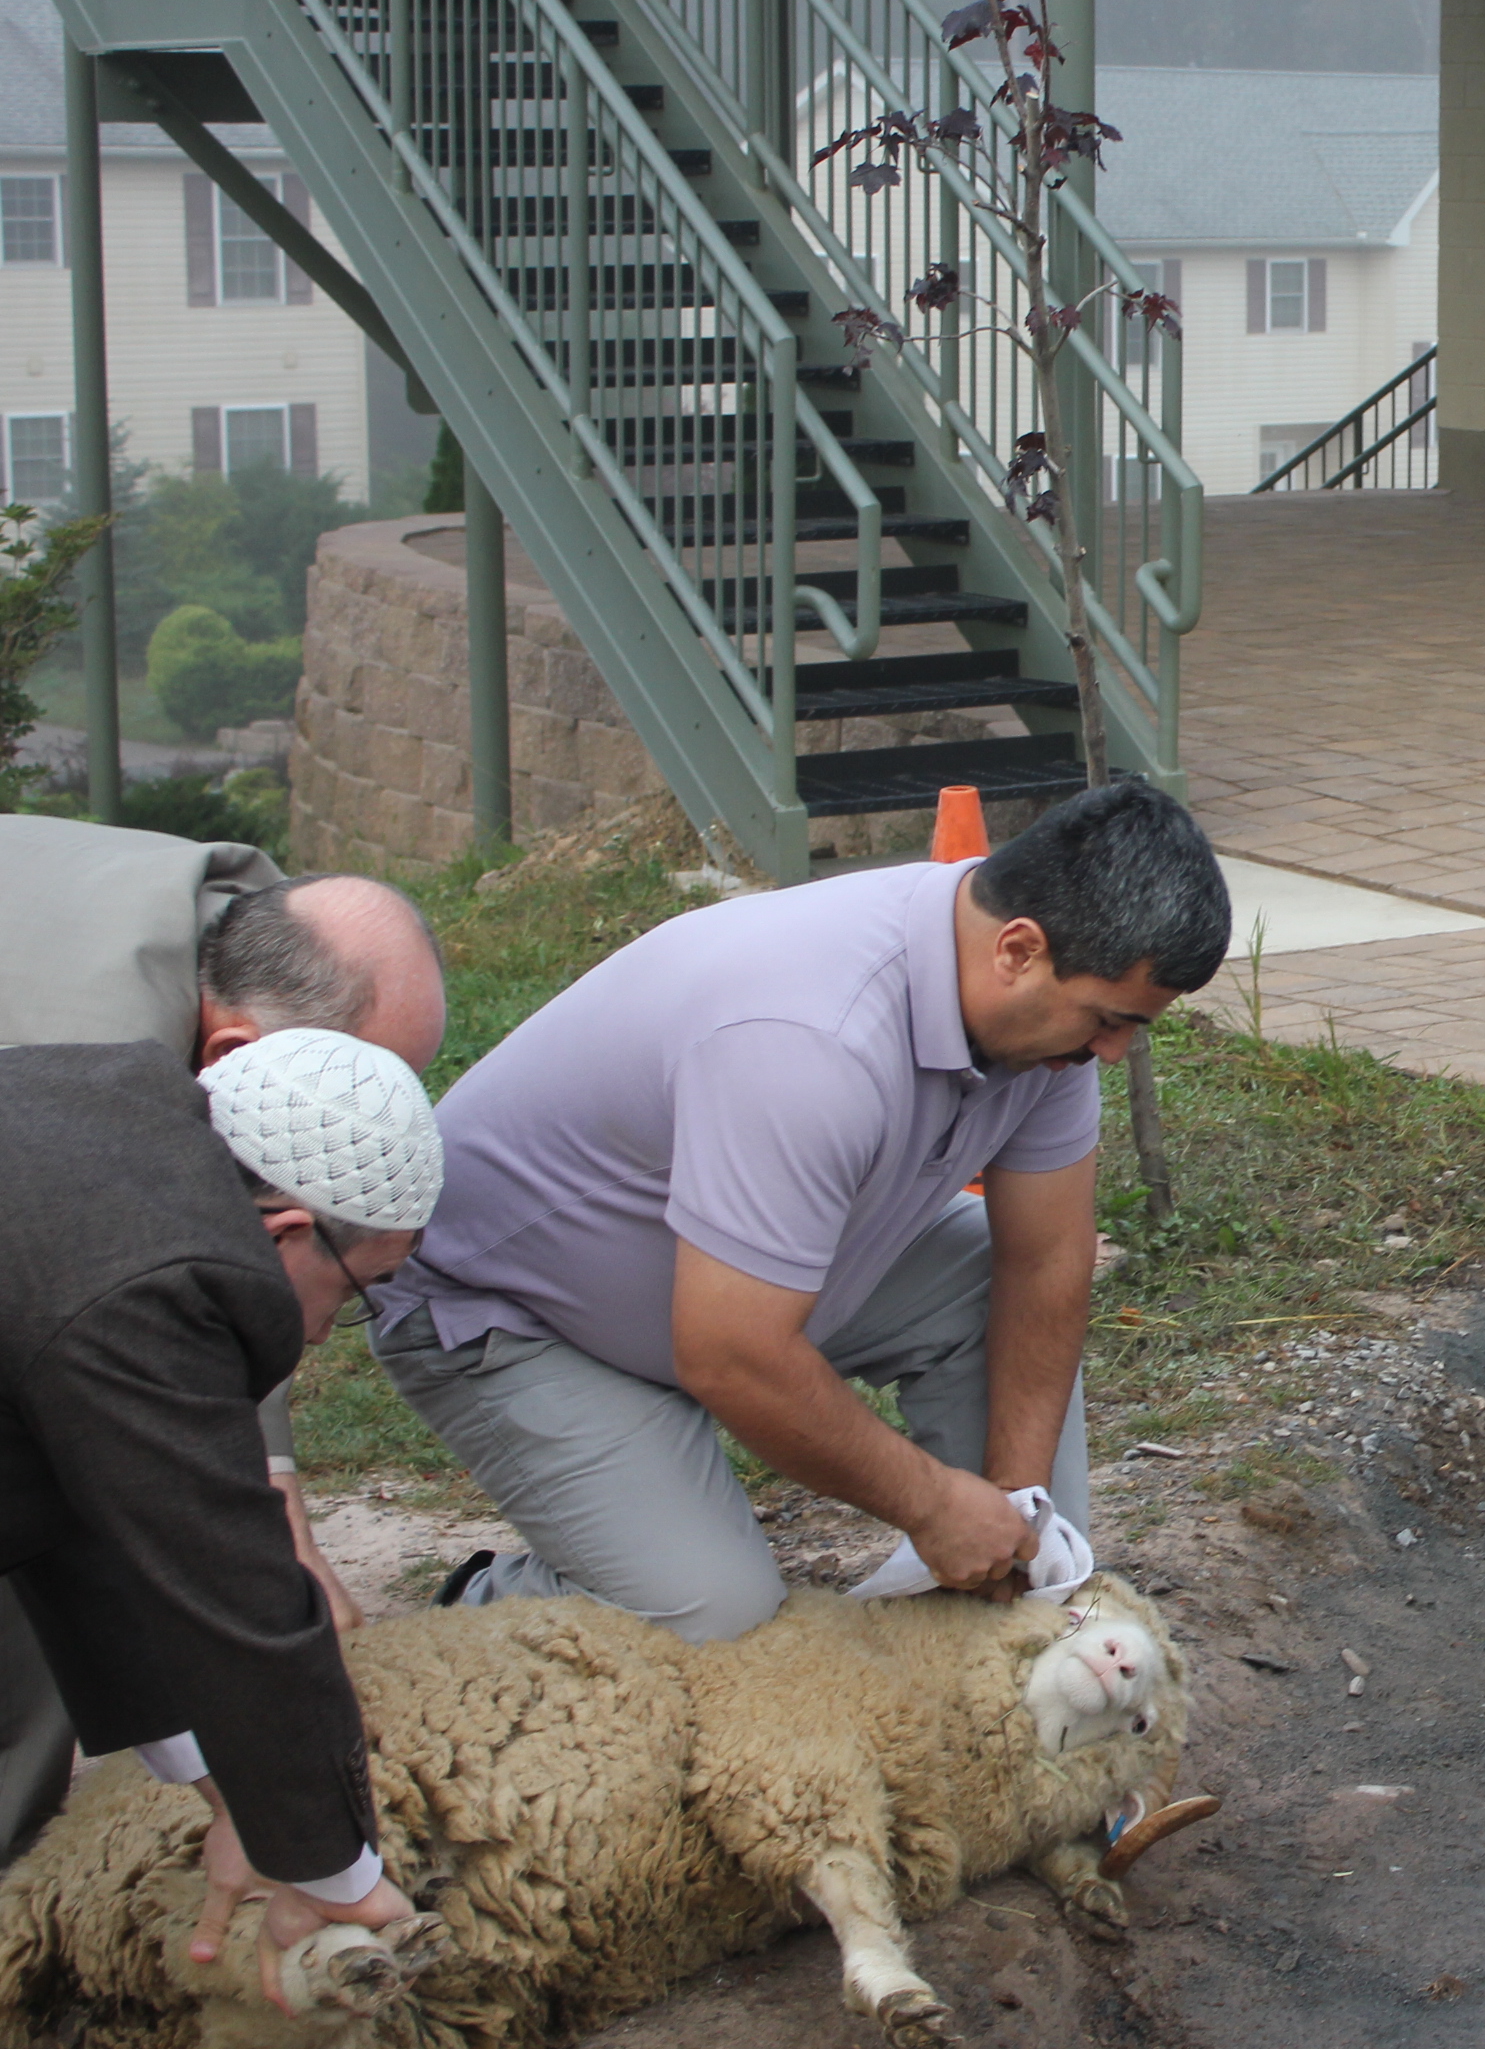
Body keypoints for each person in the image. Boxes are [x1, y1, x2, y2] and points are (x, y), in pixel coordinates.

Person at [371, 780, 1231, 1642]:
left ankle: (972, 1630)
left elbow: (1045, 1260)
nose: (1113, 1052)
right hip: (515, 1311)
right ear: (1018, 949)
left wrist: (1016, 1509)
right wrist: (934, 1505)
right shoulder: (810, 1037)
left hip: (728, 1283)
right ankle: (486, 1611)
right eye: (1108, 1020)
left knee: (989, 1326)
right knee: (716, 1615)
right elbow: (732, 1353)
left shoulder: (1045, 1030)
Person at [0, 819, 449, 1860]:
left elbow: (217, 1267)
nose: (344, 1111)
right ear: (235, 1058)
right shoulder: (74, 1071)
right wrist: (328, 1862)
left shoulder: (266, 932)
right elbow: (145, 1355)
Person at [0, 1029, 440, 2000]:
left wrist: (236, 1792)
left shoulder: (87, 1126)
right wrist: (338, 1880)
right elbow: (236, 1590)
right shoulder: (158, 1274)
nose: (323, 1336)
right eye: (359, 1290)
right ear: (286, 1231)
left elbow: (84, 1515)